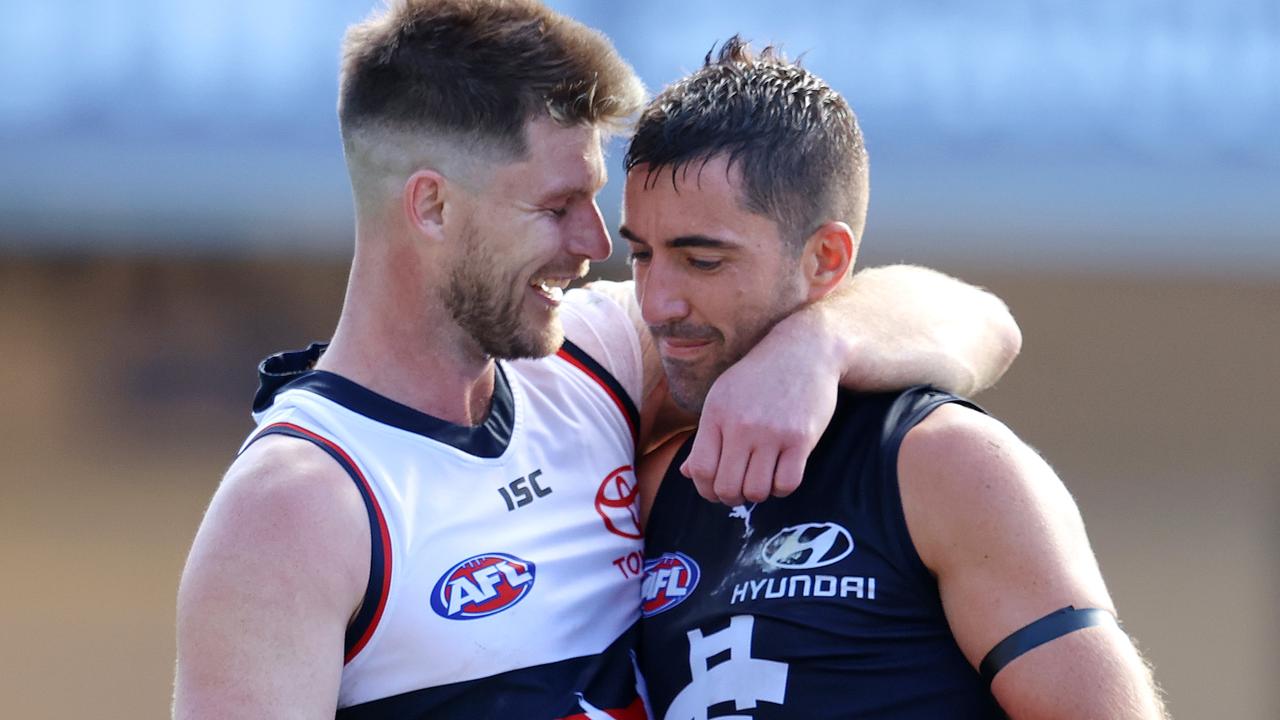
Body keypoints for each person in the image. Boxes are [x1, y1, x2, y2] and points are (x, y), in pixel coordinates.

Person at [173, 2, 1020, 718]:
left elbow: (977, 321)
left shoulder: (596, 357)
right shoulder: (295, 507)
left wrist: (817, 344)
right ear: (431, 204)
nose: (594, 244)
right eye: (557, 206)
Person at [629, 38, 1168, 719]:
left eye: (701, 260)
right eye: (642, 255)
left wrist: (814, 345)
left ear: (825, 258)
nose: (655, 303)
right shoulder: (651, 488)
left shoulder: (948, 462)